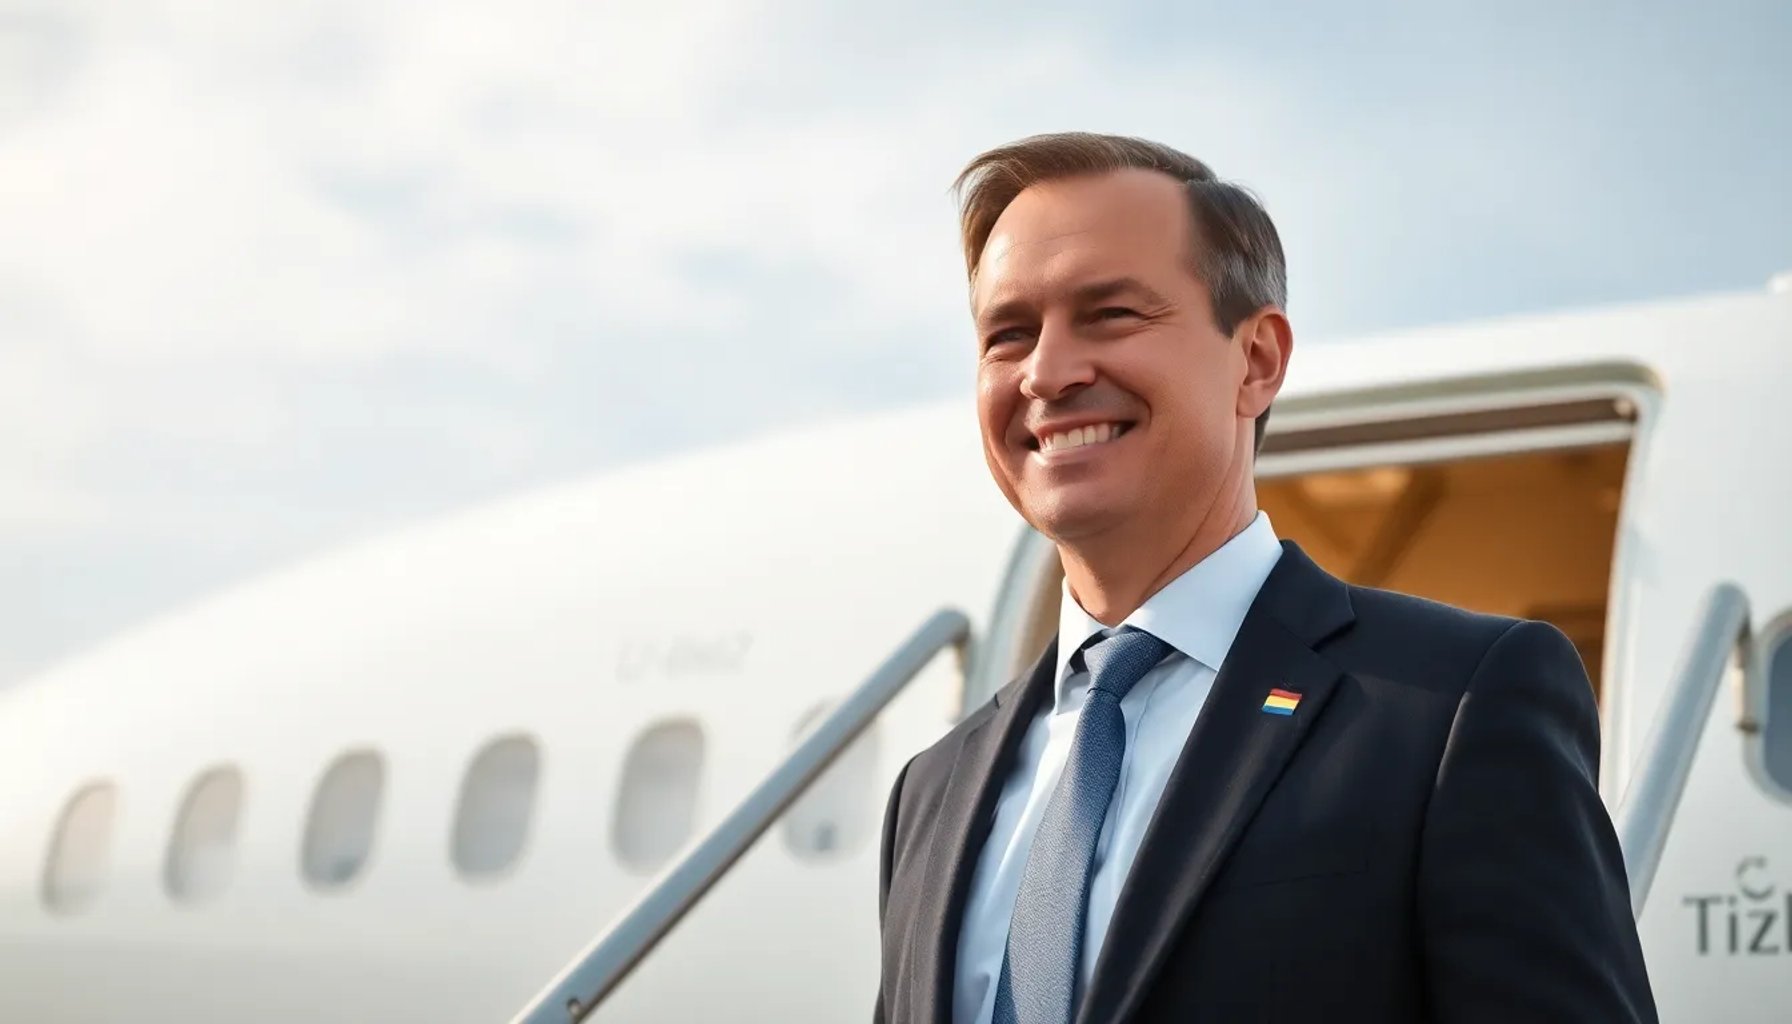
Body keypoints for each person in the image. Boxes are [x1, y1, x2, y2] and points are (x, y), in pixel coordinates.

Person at [873, 133, 1656, 1023]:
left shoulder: (1456, 706)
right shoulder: (931, 795)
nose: (1047, 374)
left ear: (1257, 361)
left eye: (1111, 314)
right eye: (1008, 335)